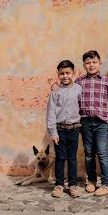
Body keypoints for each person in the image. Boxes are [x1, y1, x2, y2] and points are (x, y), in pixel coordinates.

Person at [75, 50, 108, 197]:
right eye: (88, 63)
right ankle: (92, 181)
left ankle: (106, 183)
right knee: (88, 153)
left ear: (100, 64)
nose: (91, 65)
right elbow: (72, 101)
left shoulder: (106, 82)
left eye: (94, 62)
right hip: (85, 123)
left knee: (102, 153)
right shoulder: (79, 82)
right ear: (84, 65)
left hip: (101, 123)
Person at [46, 59, 82, 198]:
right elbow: (51, 113)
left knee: (72, 158)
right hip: (60, 131)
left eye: (68, 73)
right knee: (60, 158)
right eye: (62, 73)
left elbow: (82, 108)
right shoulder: (55, 92)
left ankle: (72, 185)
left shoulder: (79, 89)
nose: (65, 76)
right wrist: (53, 132)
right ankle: (59, 185)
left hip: (73, 129)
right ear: (58, 74)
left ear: (73, 73)